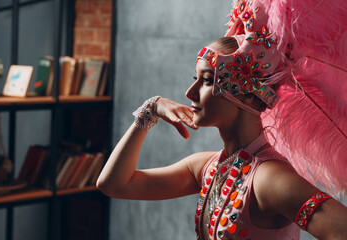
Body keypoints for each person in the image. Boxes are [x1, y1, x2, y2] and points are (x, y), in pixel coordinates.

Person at [97, 0, 347, 239]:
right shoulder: (207, 167)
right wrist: (150, 110)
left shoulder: (269, 178)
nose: (190, 93)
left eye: (206, 80)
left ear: (248, 96)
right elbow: (115, 184)